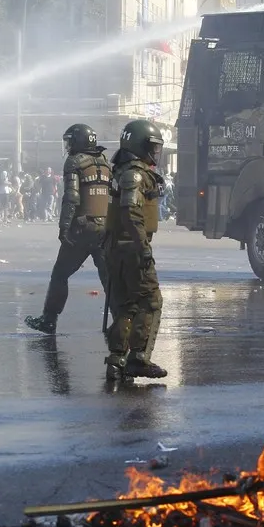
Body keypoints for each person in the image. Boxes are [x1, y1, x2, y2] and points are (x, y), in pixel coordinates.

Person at [25, 124, 111, 334]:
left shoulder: (74, 162)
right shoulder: (104, 162)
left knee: (60, 274)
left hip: (82, 229)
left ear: (78, 141)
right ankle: (121, 322)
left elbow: (71, 197)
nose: (68, 145)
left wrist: (64, 227)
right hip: (105, 228)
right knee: (109, 279)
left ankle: (49, 320)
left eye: (70, 141)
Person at [103, 119, 168, 381]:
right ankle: (139, 357)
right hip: (131, 248)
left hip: (117, 248)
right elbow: (131, 213)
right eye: (152, 147)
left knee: (125, 306)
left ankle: (116, 360)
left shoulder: (123, 171)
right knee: (151, 301)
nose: (155, 153)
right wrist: (142, 248)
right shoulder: (135, 174)